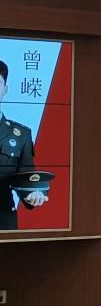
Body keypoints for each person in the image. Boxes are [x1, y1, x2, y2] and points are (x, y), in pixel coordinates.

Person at [0, 61, 48, 230]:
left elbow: (25, 178)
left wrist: (34, 193)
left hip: (3, 221)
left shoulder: (21, 135)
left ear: (5, 90)